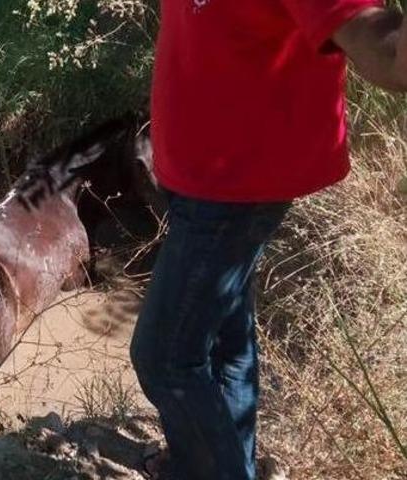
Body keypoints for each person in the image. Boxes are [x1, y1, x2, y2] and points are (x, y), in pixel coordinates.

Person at [129, 1, 407, 479]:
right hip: (198, 174)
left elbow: (383, 50)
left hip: (233, 190)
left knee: (164, 356)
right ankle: (212, 462)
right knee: (225, 341)